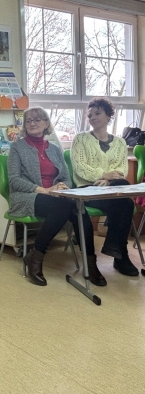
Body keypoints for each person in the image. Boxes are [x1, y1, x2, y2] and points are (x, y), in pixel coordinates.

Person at [7, 107, 105, 286]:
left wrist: (62, 188)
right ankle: (36, 255)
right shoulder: (17, 147)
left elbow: (66, 177)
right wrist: (44, 190)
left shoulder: (54, 148)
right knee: (67, 206)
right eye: (28, 120)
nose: (32, 123)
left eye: (37, 119)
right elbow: (14, 181)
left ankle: (90, 262)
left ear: (46, 123)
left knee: (78, 207)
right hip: (27, 196)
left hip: (55, 196)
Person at [71, 97, 139, 277]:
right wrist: (103, 175)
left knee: (123, 195)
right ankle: (120, 255)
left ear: (108, 116)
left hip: (111, 188)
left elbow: (122, 169)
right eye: (90, 115)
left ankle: (117, 251)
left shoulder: (120, 142)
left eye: (97, 113)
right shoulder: (80, 139)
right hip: (87, 189)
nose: (92, 117)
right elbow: (80, 167)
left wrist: (108, 181)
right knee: (125, 202)